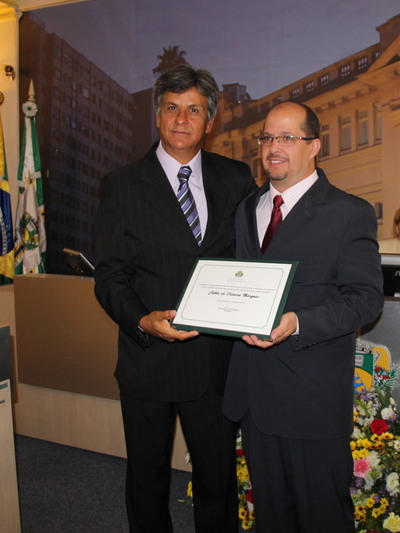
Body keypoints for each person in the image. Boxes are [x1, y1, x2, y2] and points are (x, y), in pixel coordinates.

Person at [93, 65, 256, 533]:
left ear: (210, 122)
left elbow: (252, 258)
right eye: (171, 108)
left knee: (217, 482)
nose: (181, 119)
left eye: (194, 110)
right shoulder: (122, 185)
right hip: (150, 360)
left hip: (216, 363)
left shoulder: (236, 178)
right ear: (157, 116)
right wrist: (142, 321)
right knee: (147, 480)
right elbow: (109, 276)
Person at [222, 102, 384, 533]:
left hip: (310, 400)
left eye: (287, 138)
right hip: (256, 397)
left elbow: (366, 300)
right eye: (267, 138)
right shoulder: (248, 209)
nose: (273, 148)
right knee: (271, 520)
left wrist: (298, 321)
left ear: (315, 146)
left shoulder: (349, 212)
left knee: (323, 520)